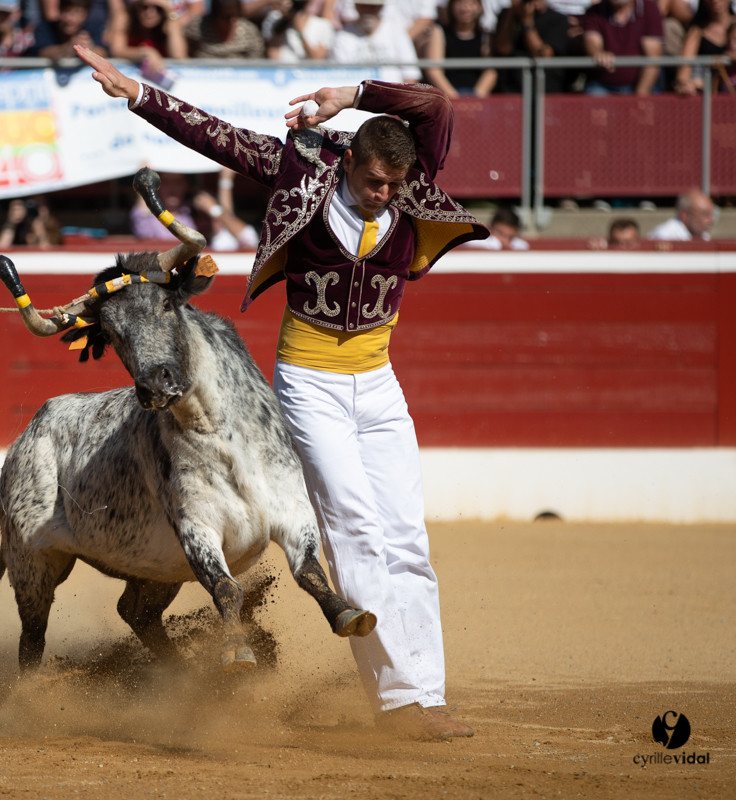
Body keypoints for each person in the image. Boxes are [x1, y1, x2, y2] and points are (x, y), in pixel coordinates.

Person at [77, 44, 488, 741]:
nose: (385, 194)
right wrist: (137, 94)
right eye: (375, 181)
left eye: (395, 183)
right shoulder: (307, 170)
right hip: (311, 382)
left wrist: (352, 90)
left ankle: (428, 688)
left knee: (407, 537)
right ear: (348, 161)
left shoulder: (411, 183)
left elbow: (438, 105)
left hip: (379, 382)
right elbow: (214, 135)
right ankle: (396, 701)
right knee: (354, 528)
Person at [581, 0, 664, 95]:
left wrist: (639, 98)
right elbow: (592, 43)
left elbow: (653, 59)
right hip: (603, 86)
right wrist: (599, 54)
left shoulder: (649, 9)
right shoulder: (594, 12)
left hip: (639, 86)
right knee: (593, 98)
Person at [330, 0, 422, 84]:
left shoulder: (396, 31)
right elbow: (339, 78)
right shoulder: (343, 36)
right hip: (355, 97)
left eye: (374, 6)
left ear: (381, 7)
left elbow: (411, 76)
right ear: (356, 6)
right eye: (363, 6)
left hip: (393, 95)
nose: (368, 11)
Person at [492, 0, 573, 94]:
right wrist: (511, 13)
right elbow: (503, 49)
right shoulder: (507, 15)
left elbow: (543, 55)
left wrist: (527, 24)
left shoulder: (558, 19)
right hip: (512, 91)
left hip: (545, 91)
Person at [424, 0, 497, 98]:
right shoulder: (439, 32)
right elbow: (434, 71)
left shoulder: (486, 36)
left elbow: (491, 71)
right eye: (460, 3)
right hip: (447, 98)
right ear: (451, 6)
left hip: (477, 99)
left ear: (480, 7)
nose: (466, 8)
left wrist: (475, 97)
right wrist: (455, 98)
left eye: (471, 4)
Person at [107, 0, 187, 88]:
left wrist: (170, 13)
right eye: (145, 7)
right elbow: (117, 50)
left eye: (158, 8)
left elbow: (178, 55)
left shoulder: (169, 22)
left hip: (160, 87)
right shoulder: (125, 17)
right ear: (137, 6)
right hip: (130, 82)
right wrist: (146, 52)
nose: (150, 12)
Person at [192, 167, 260, 251]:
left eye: (209, 216)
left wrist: (214, 210)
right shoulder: (192, 238)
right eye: (201, 216)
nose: (206, 222)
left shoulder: (226, 236)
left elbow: (250, 239)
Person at [672, 0, 732, 95]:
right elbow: (684, 72)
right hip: (705, 93)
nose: (714, 1)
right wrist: (686, 85)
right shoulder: (696, 31)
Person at [129, 171, 199, 241]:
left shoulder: (194, 213)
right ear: (156, 187)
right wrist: (144, 180)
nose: (172, 188)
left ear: (186, 185)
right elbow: (142, 230)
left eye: (177, 182)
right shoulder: (147, 216)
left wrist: (210, 209)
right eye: (166, 182)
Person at [182, 0, 265, 58]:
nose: (232, 20)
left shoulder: (249, 31)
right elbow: (186, 52)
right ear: (214, 16)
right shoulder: (197, 27)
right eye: (227, 17)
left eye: (236, 15)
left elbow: (256, 60)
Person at [28, 0, 107, 58]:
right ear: (60, 11)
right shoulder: (45, 27)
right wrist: (70, 47)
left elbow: (104, 53)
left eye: (77, 13)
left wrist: (89, 49)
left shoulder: (92, 27)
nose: (70, 19)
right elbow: (42, 53)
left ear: (86, 15)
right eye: (67, 11)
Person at [263, 0, 338, 61]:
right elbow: (273, 57)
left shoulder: (323, 25)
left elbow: (317, 59)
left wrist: (300, 32)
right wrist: (283, 23)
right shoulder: (275, 21)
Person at [647, 189, 716, 241]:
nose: (711, 220)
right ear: (684, 215)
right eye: (704, 214)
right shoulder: (665, 236)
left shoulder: (704, 236)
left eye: (711, 214)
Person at [463, 205, 530, 249]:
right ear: (490, 228)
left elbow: (523, 245)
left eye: (510, 237)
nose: (505, 241)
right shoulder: (478, 240)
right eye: (501, 234)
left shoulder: (518, 244)